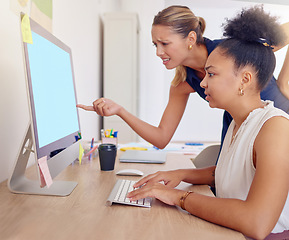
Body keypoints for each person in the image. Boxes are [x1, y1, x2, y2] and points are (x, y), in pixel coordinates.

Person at [126, 6, 289, 240]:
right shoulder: (237, 123)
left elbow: (257, 223)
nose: (202, 85)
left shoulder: (274, 126)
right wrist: (180, 174)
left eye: (211, 74)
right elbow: (234, 172)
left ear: (245, 79)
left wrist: (178, 197)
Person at [77, 5, 289, 153]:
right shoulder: (183, 83)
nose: (158, 52)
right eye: (155, 45)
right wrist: (120, 110)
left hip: (278, 121)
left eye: (165, 43)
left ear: (190, 39)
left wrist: (283, 82)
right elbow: (161, 138)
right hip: (237, 126)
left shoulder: (232, 51)